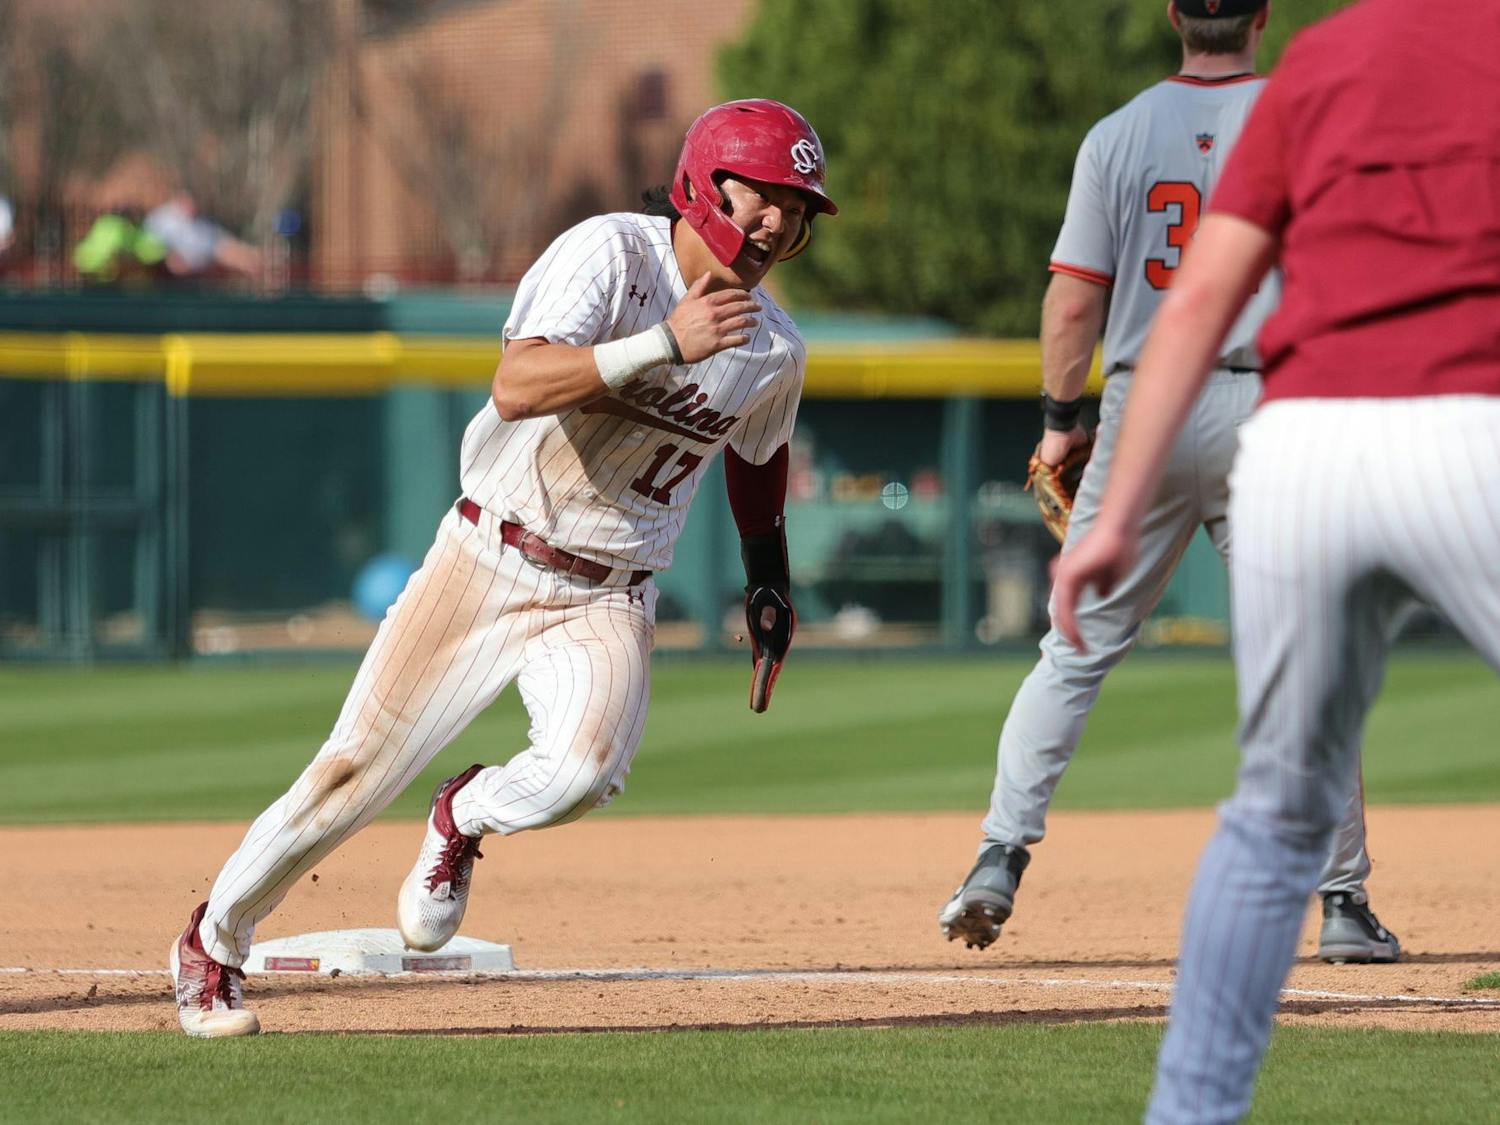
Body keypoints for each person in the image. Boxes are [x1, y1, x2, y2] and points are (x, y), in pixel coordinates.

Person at [169, 98, 837, 1037]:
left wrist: (768, 577)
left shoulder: (773, 346)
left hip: (611, 592)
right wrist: (662, 344)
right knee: (351, 771)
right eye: (764, 192)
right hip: (493, 551)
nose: (780, 220)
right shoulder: (611, 254)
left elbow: (759, 459)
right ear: (704, 181)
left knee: (583, 773)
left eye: (797, 206)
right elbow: (517, 384)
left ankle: (463, 813)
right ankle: (213, 939)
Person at [1050, 1, 1500, 1119]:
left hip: (1304, 447)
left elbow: (1199, 296)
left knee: (1274, 817)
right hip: (1469, 423)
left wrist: (1112, 511)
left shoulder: (1322, 59)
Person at [937, 0, 1399, 966]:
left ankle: (997, 856)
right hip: (1272, 402)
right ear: (1263, 14)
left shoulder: (1117, 134)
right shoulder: (1308, 120)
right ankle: (1344, 904)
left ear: (1174, 12)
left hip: (1147, 400)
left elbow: (1072, 306)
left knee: (1074, 648)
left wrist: (1064, 423)